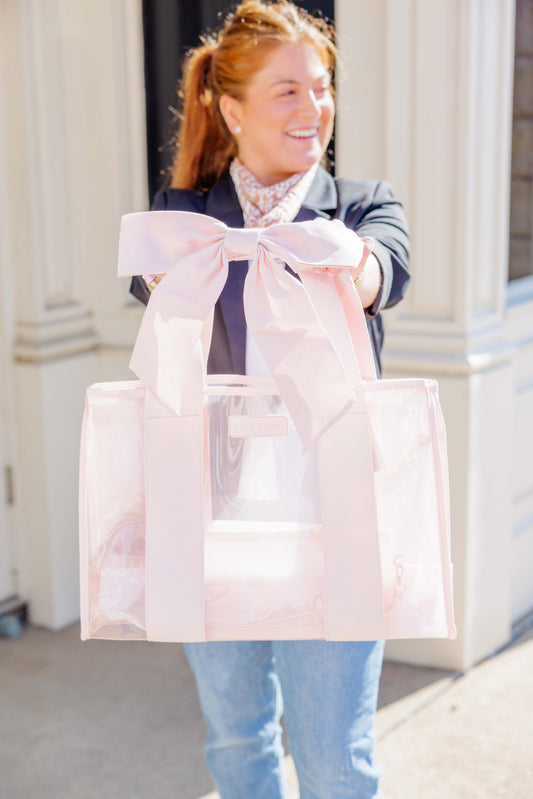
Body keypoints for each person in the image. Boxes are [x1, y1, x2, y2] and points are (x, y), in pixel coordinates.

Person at [131, 2, 409, 797]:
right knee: (237, 739)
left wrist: (328, 252)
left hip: (336, 515)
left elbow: (378, 273)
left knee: (335, 758)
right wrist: (219, 246)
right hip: (209, 512)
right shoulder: (184, 217)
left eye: (320, 89)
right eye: (287, 90)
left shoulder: (360, 206)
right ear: (230, 107)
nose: (313, 109)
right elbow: (148, 274)